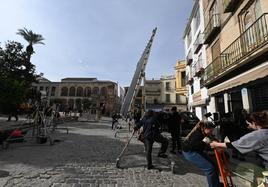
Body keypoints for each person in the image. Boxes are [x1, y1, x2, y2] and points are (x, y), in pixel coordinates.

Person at [182, 120, 220, 187]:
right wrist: (205, 143)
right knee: (210, 168)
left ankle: (217, 184)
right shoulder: (198, 134)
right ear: (205, 128)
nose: (211, 132)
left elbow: (210, 139)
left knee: (215, 166)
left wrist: (217, 143)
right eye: (210, 131)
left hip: (197, 150)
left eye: (212, 131)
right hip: (190, 152)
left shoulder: (204, 132)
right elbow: (193, 145)